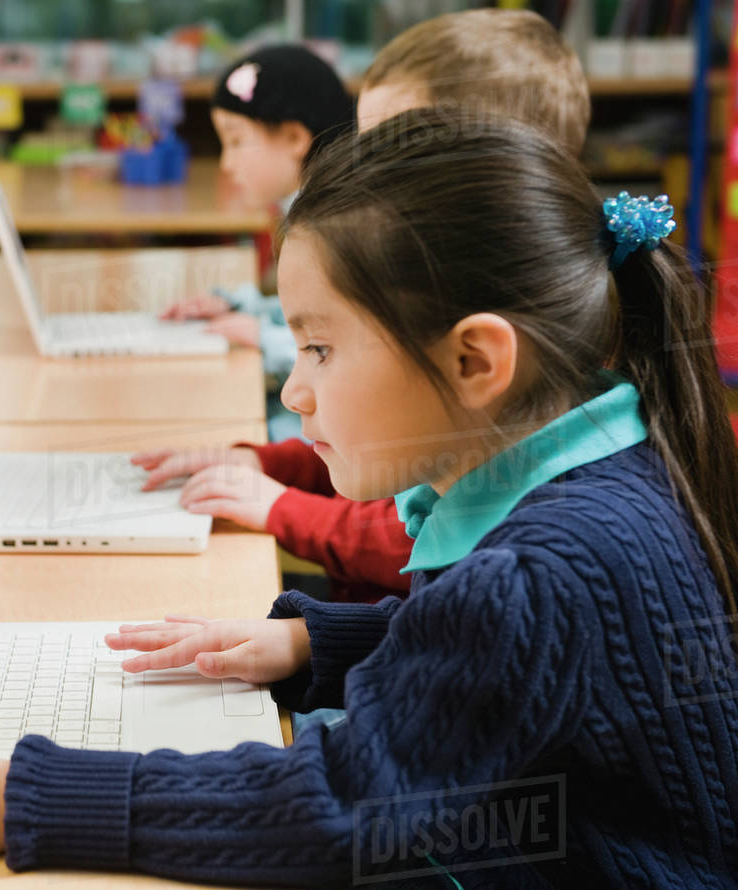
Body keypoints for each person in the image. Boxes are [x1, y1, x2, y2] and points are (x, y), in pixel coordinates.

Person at [0, 111, 738, 890]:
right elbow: (506, 671)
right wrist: (314, 643)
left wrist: (17, 798)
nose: (294, 390)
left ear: (475, 362)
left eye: (320, 350)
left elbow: (336, 810)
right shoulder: (604, 472)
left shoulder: (534, 576)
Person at [140, 10, 593, 604]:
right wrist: (262, 464)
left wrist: (280, 506)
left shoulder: (514, 348)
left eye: (397, 148)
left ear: (498, 162)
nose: (363, 169)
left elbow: (417, 540)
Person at [162, 43, 355, 442]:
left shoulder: (335, 229)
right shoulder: (308, 213)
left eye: (235, 141)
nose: (226, 164)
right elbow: (310, 314)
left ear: (294, 137)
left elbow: (345, 348)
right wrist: (239, 305)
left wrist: (260, 336)